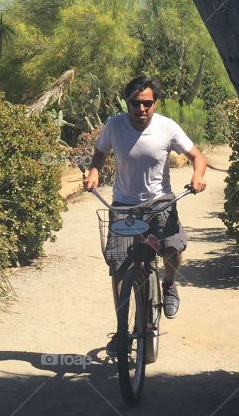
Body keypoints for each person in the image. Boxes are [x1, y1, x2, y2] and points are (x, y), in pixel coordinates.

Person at [84, 74, 208, 353]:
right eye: (135, 103)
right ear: (127, 103)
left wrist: (197, 176)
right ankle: (121, 330)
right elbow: (100, 154)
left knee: (173, 247)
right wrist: (94, 170)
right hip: (124, 206)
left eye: (147, 103)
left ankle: (169, 285)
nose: (141, 109)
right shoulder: (114, 125)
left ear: (155, 103)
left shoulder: (167, 127)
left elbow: (198, 157)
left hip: (159, 203)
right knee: (118, 266)